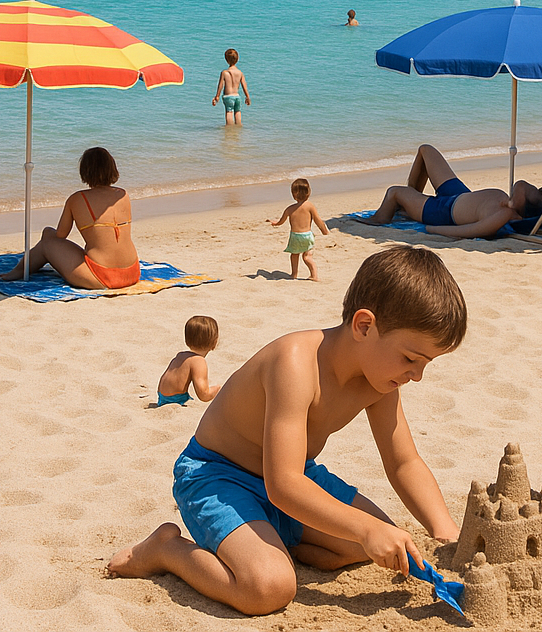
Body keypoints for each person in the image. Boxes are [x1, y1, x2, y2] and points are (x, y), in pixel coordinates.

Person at [108, 246, 466, 615]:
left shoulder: (381, 381)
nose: (417, 375)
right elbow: (284, 484)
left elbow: (403, 462)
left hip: (294, 475)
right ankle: (167, 550)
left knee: (384, 543)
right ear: (364, 326)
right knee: (269, 588)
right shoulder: (296, 362)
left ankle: (272, 538)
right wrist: (363, 528)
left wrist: (448, 534)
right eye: (410, 359)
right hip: (219, 475)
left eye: (426, 364)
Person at [0, 147, 141, 290]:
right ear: (112, 168)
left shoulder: (77, 199)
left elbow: (61, 235)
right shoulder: (122, 195)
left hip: (101, 276)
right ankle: (19, 270)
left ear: (85, 171)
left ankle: (15, 273)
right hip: (132, 272)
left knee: (48, 237)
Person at [361, 144, 542, 239]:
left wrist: (431, 228)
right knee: (425, 150)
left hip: (442, 211)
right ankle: (411, 202)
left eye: (536, 192)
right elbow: (521, 185)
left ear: (527, 205)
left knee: (393, 192)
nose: (539, 188)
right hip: (459, 194)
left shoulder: (503, 215)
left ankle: (382, 218)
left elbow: (468, 231)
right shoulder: (507, 203)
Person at [267, 178, 331, 280]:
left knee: (294, 255)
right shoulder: (310, 206)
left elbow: (281, 221)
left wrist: (275, 223)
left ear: (293, 194)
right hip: (307, 235)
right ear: (309, 193)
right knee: (307, 257)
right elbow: (318, 220)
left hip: (295, 236)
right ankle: (314, 275)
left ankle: (294, 274)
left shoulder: (289, 209)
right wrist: (324, 231)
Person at [156, 316, 221, 406]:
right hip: (174, 399)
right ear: (214, 342)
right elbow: (204, 394)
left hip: (162, 397)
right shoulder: (199, 361)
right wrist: (219, 389)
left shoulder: (181, 355)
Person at [212, 48, 251, 126]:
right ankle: (238, 126)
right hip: (237, 96)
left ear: (226, 60)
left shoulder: (224, 73)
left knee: (229, 111)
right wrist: (247, 96)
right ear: (237, 59)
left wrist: (217, 96)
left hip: (228, 97)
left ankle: (229, 128)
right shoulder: (240, 73)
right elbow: (244, 85)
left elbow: (220, 85)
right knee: (238, 112)